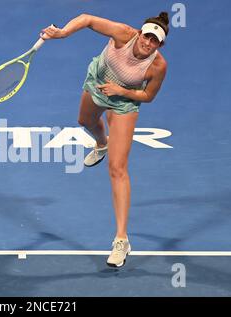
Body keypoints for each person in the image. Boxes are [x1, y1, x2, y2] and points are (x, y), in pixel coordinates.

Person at [41, 12, 169, 267]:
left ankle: (121, 239)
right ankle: (101, 143)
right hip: (97, 83)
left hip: (124, 103)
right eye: (147, 36)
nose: (148, 43)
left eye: (155, 41)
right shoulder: (123, 33)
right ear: (139, 33)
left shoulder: (158, 66)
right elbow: (87, 19)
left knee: (118, 169)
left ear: (160, 45)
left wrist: (122, 91)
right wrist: (64, 32)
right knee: (85, 122)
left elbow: (148, 96)